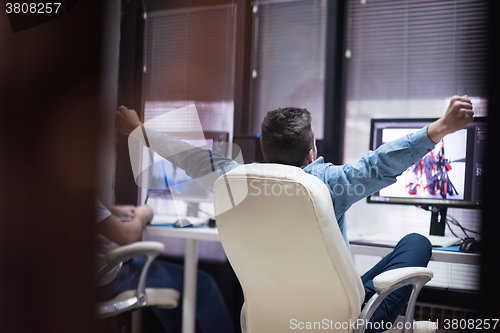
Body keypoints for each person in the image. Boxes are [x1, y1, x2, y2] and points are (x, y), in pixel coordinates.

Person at [114, 95, 473, 332]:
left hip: (271, 312)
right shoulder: (328, 183)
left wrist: (141, 131)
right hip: (335, 317)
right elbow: (378, 164)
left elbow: (189, 156)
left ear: (265, 149)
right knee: (416, 242)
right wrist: (439, 129)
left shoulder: (236, 180)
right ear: (311, 151)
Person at [94, 200, 235, 333]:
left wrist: (114, 210)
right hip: (111, 280)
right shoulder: (83, 197)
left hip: (94, 282)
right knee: (203, 285)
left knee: (170, 292)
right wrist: (142, 216)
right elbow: (128, 236)